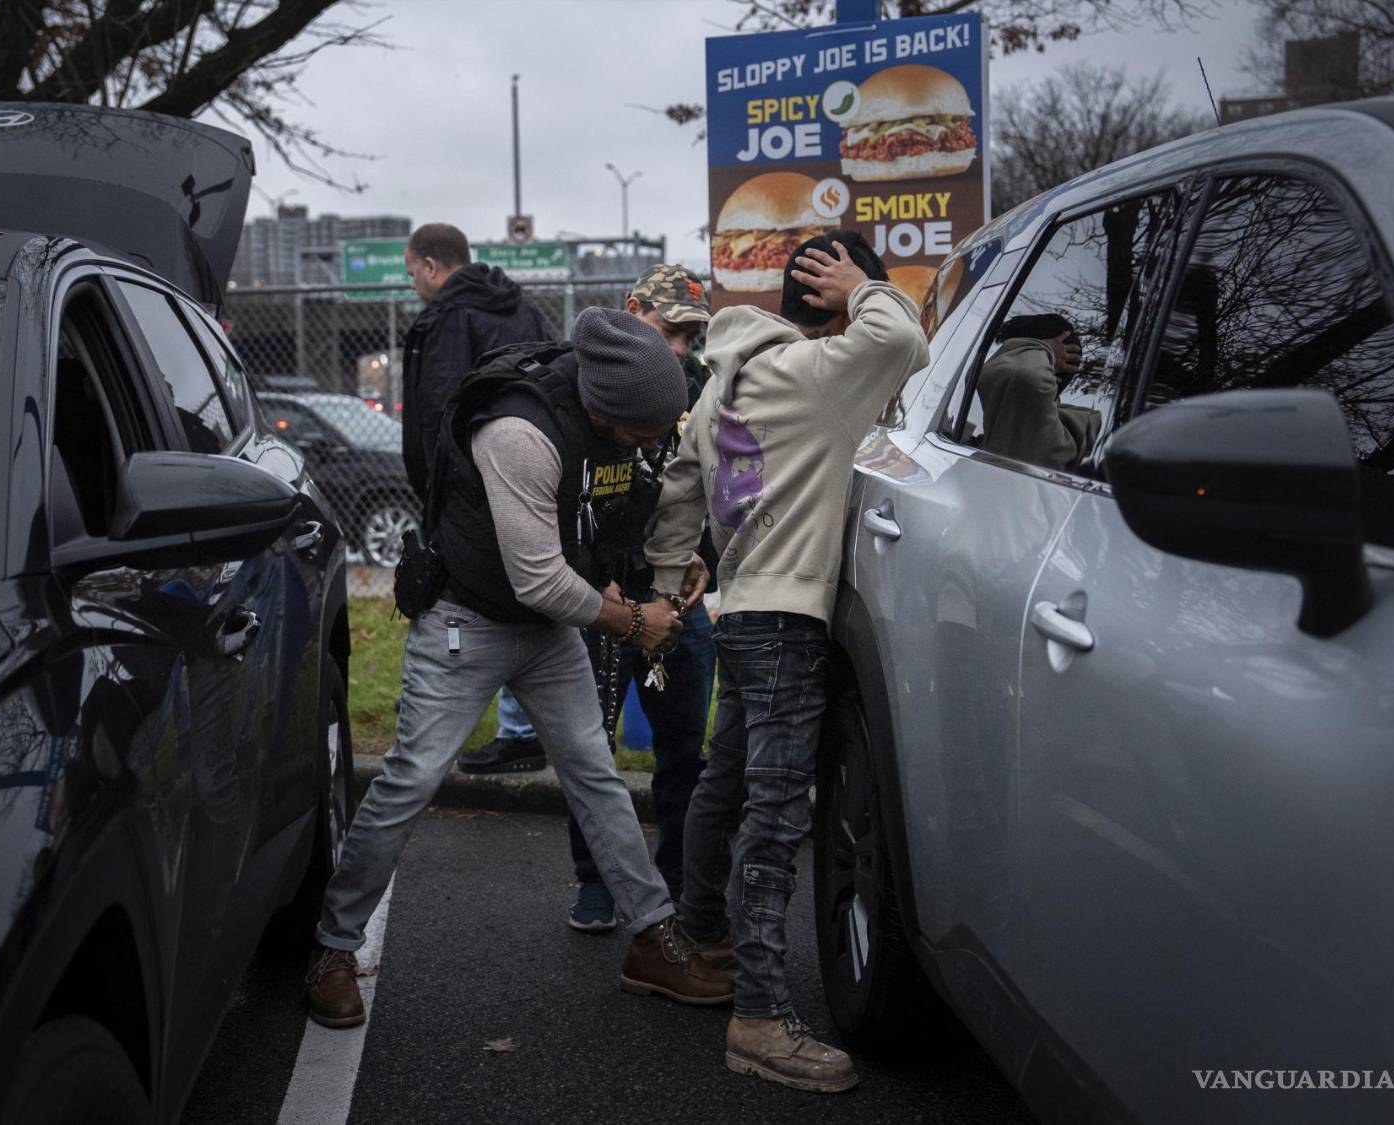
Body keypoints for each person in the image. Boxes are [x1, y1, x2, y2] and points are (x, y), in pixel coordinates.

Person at [307, 308, 733, 1029]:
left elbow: (613, 515)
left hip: (547, 630)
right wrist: (634, 621)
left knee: (595, 775)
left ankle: (651, 939)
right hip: (465, 621)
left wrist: (675, 559)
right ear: (607, 409)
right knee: (410, 778)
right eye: (645, 432)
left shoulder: (612, 429)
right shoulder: (519, 433)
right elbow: (538, 578)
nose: (652, 444)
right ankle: (333, 947)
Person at [644, 232, 929, 1093]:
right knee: (773, 818)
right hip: (789, 620)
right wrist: (868, 284)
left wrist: (670, 576)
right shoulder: (820, 373)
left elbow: (677, 494)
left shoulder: (720, 383)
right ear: (833, 298)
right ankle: (761, 1016)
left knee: (723, 783)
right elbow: (903, 340)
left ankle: (700, 938)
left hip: (740, 613)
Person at [462, 266, 718, 934]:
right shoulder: (590, 389)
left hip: (675, 591)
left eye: (692, 337)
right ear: (633, 310)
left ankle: (678, 884)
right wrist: (606, 588)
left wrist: (698, 561)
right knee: (590, 749)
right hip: (603, 592)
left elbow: (706, 488)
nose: (681, 349)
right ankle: (596, 882)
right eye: (671, 331)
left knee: (685, 749)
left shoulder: (702, 388)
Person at [399, 222, 554, 502]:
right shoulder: (523, 307)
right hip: (535, 470)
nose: (413, 284)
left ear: (430, 267)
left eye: (413, 273)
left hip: (463, 492)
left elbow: (438, 408)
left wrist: (436, 487)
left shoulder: (444, 319)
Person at [977, 313, 1099, 471]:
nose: (995, 360)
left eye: (1013, 352)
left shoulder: (1056, 436)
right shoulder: (998, 436)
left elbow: (1028, 377)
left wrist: (1045, 350)